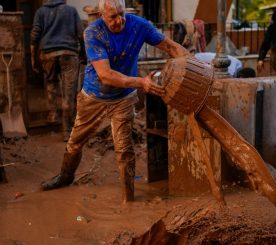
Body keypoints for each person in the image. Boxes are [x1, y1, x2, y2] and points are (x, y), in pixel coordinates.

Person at [40, 0, 189, 203]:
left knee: (124, 149)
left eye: (122, 14)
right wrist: (141, 82)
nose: (119, 20)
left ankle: (128, 198)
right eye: (113, 17)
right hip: (93, 96)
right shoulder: (93, 33)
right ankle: (65, 177)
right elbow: (106, 75)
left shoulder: (139, 25)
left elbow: (170, 46)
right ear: (102, 15)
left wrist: (195, 65)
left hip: (123, 97)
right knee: (75, 143)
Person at [30, 0, 84, 142]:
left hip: (48, 54)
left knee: (51, 82)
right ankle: (67, 132)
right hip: (69, 53)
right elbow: (81, 34)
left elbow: (34, 37)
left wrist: (33, 60)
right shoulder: (71, 11)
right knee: (68, 92)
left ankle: (52, 113)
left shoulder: (40, 12)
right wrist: (83, 54)